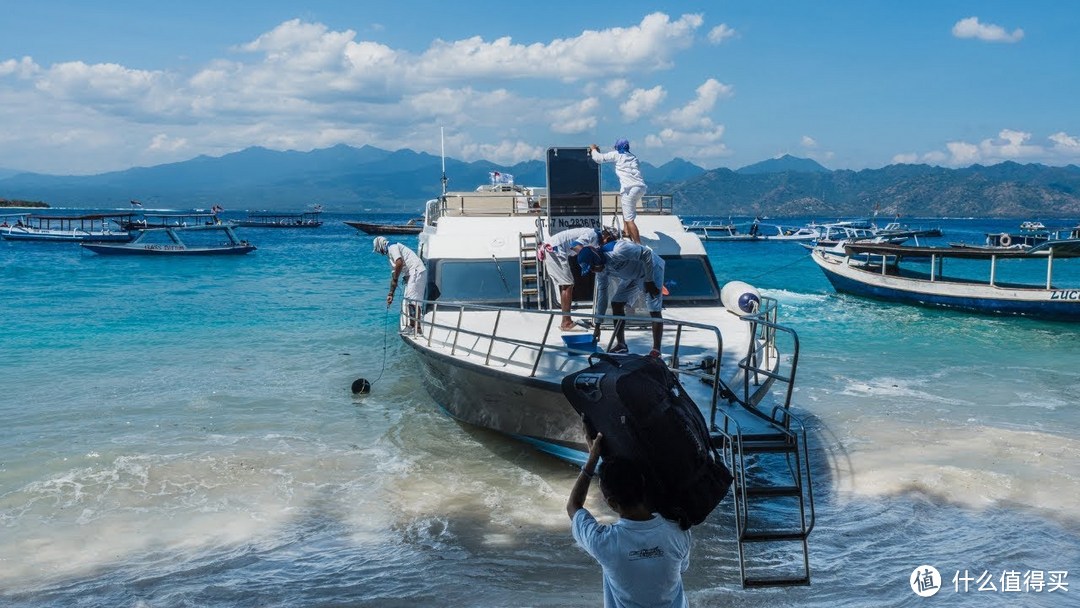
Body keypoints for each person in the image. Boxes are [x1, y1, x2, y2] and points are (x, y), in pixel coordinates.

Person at [566, 429, 692, 608]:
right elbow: (681, 570)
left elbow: (574, 506)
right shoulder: (677, 531)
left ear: (611, 503)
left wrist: (592, 459)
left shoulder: (603, 542)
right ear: (642, 486)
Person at [577, 240, 665, 357]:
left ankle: (656, 350)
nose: (593, 271)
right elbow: (602, 296)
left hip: (651, 269)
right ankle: (621, 345)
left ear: (597, 258)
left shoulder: (619, 249)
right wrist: (598, 326)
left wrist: (649, 280)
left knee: (654, 308)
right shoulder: (601, 272)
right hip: (632, 276)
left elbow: (646, 253)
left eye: (592, 267)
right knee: (616, 303)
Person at [539, 227, 616, 331]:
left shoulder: (596, 239)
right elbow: (575, 245)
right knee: (567, 285)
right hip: (554, 250)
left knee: (566, 285)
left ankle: (566, 320)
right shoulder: (592, 234)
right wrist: (588, 258)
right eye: (611, 240)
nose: (609, 243)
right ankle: (566, 322)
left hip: (556, 249)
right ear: (606, 235)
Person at [590, 139, 647, 244]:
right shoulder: (634, 157)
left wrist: (593, 149)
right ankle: (626, 231)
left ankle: (639, 245)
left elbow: (599, 158)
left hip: (629, 189)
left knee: (630, 219)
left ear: (617, 147)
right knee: (627, 208)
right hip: (641, 188)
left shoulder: (617, 155)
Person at [373, 236, 426, 335]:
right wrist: (390, 294)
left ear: (380, 246)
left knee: (412, 299)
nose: (380, 253)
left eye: (378, 250)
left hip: (416, 271)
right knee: (410, 299)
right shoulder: (390, 255)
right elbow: (394, 276)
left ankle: (416, 328)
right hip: (413, 272)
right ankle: (413, 326)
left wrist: (397, 277)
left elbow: (399, 262)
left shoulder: (392, 246)